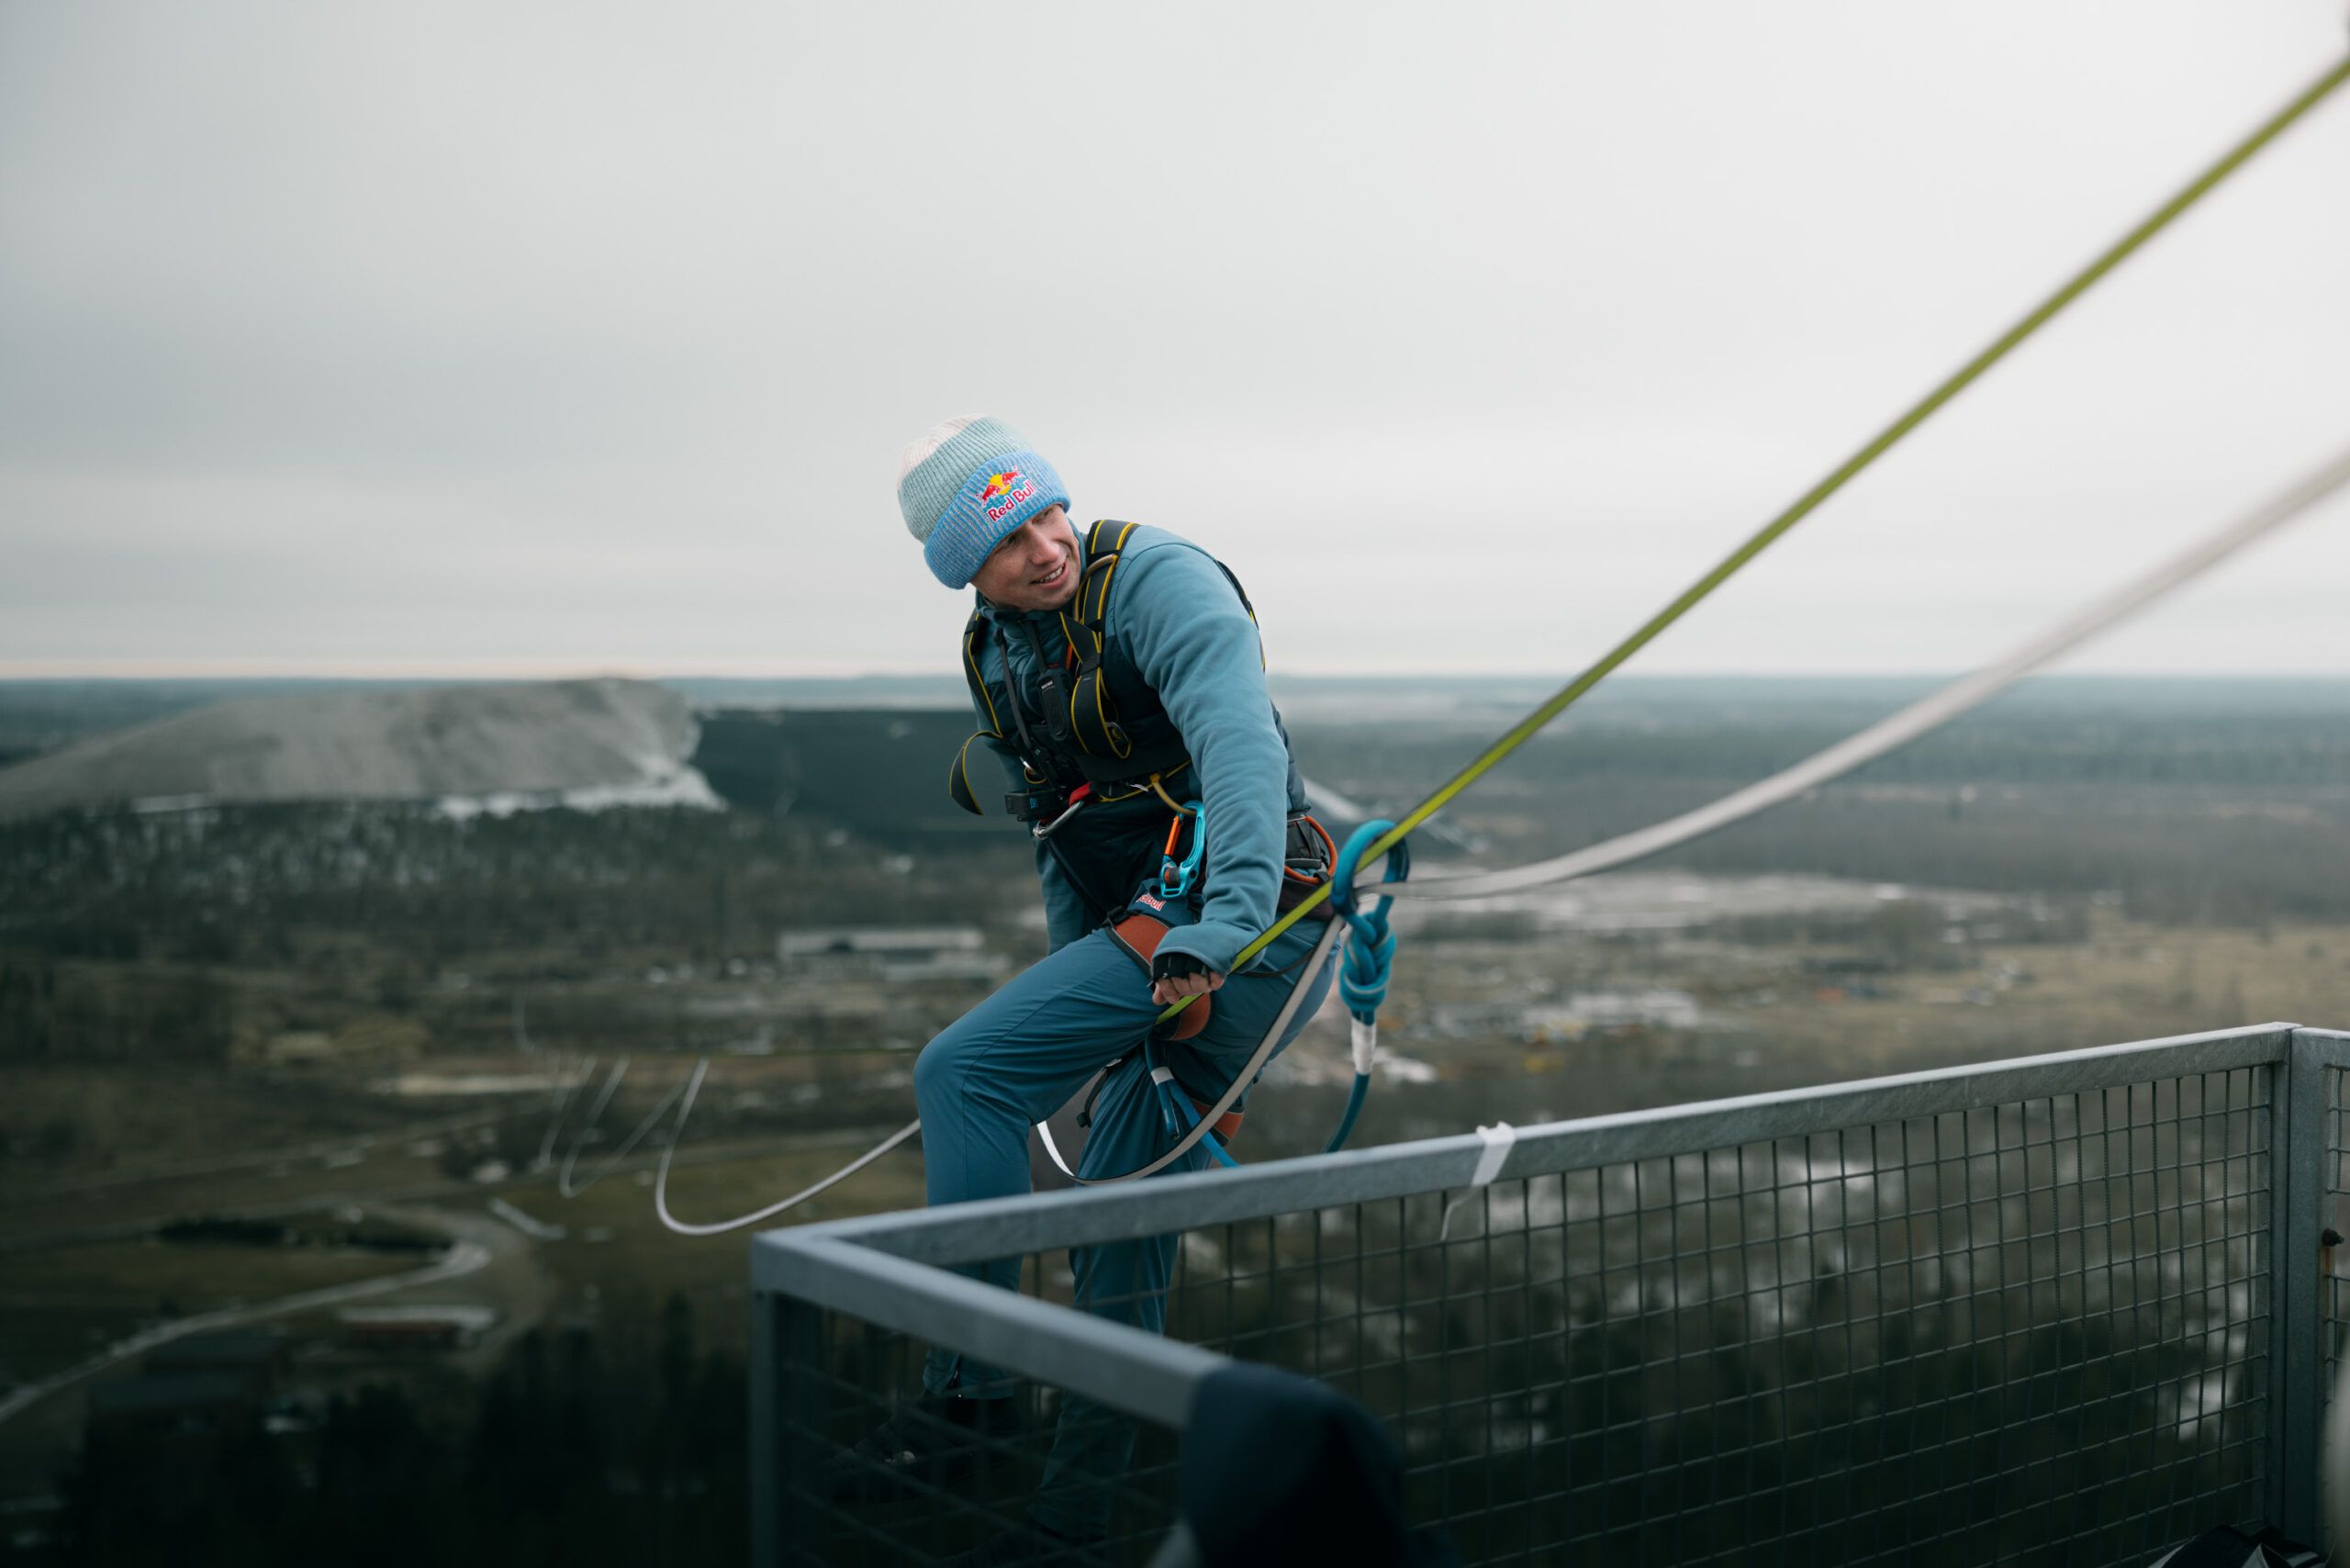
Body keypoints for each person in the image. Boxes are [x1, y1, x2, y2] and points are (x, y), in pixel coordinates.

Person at [827, 415, 1340, 1562]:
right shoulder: (1000, 651)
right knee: (1115, 1202)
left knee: (962, 1073)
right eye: (1005, 540)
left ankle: (967, 1394)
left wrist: (1223, 924)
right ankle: (1063, 1525)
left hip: (1254, 910)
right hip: (1152, 922)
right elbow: (1064, 833)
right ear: (969, 571)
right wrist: (1089, 1001)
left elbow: (1239, 751)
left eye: (1045, 512)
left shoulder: (1158, 580)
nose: (1043, 546)